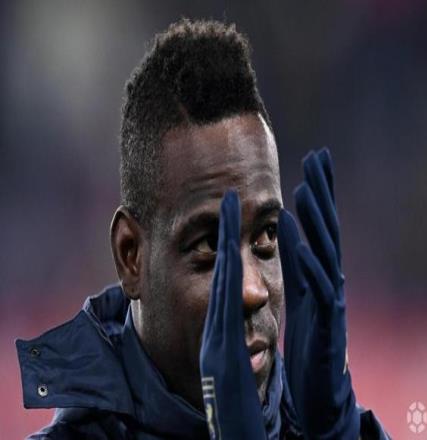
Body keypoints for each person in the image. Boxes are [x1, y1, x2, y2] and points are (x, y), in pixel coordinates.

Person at [16, 19, 390, 439]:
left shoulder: (329, 428)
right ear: (131, 256)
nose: (252, 290)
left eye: (266, 236)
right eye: (211, 244)